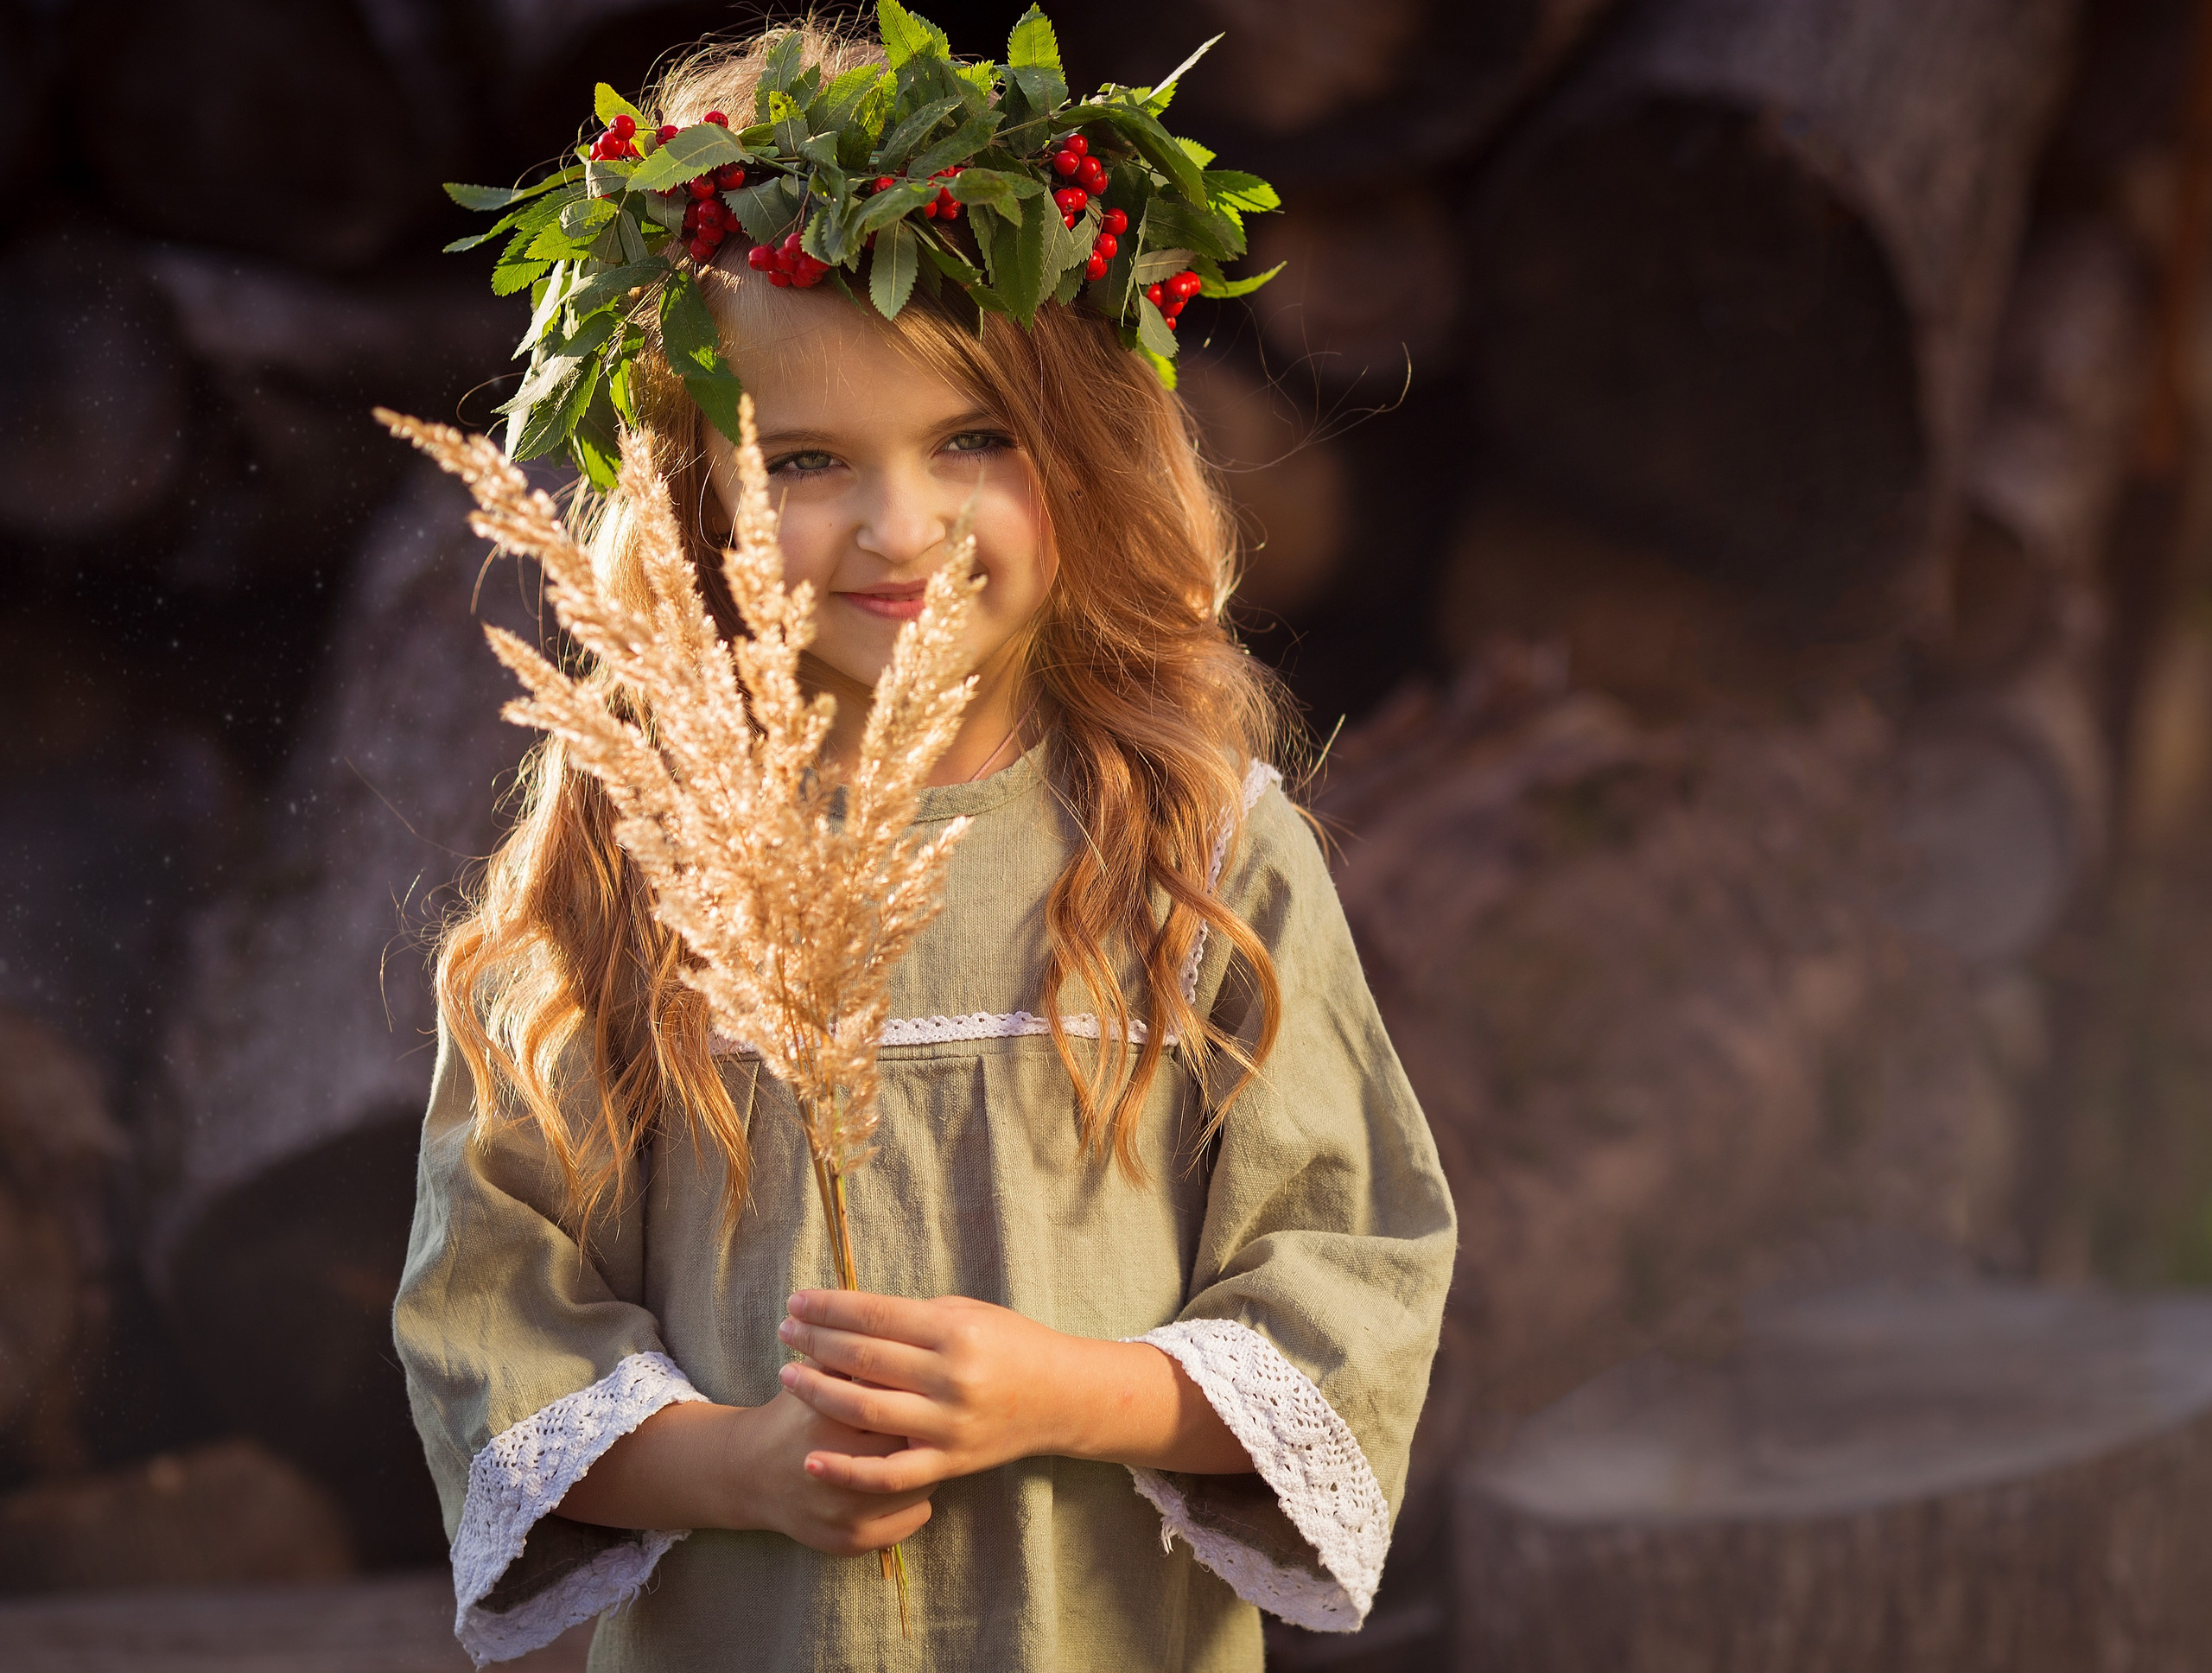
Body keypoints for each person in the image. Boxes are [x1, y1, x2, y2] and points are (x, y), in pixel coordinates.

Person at [393, 20, 1455, 1670]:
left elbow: (1353, 1282)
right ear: (695, 495)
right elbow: (492, 1314)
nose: (901, 530)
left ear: (1085, 444)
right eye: (805, 463)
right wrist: (745, 1467)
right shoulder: (637, 856)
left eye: (972, 439)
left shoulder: (1197, 850)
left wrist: (1069, 1393)